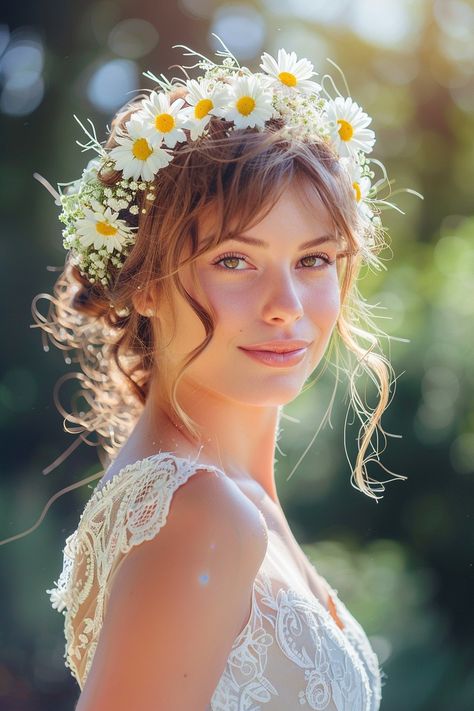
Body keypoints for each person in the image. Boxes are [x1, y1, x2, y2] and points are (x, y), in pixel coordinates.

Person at [26, 37, 419, 710]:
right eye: (235, 260)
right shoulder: (198, 514)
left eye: (314, 259)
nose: (285, 308)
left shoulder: (219, 496)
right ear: (143, 282)